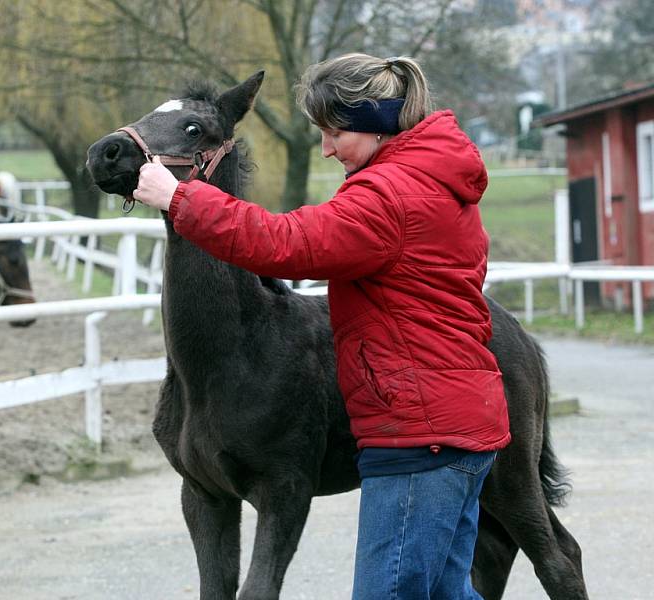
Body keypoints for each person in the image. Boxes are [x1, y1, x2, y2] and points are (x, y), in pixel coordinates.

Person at [133, 53, 510, 600]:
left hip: (420, 431)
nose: (328, 148)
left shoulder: (390, 195)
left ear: (375, 122)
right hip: (446, 423)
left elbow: (291, 243)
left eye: (335, 132)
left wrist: (180, 197)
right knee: (446, 591)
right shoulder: (424, 178)